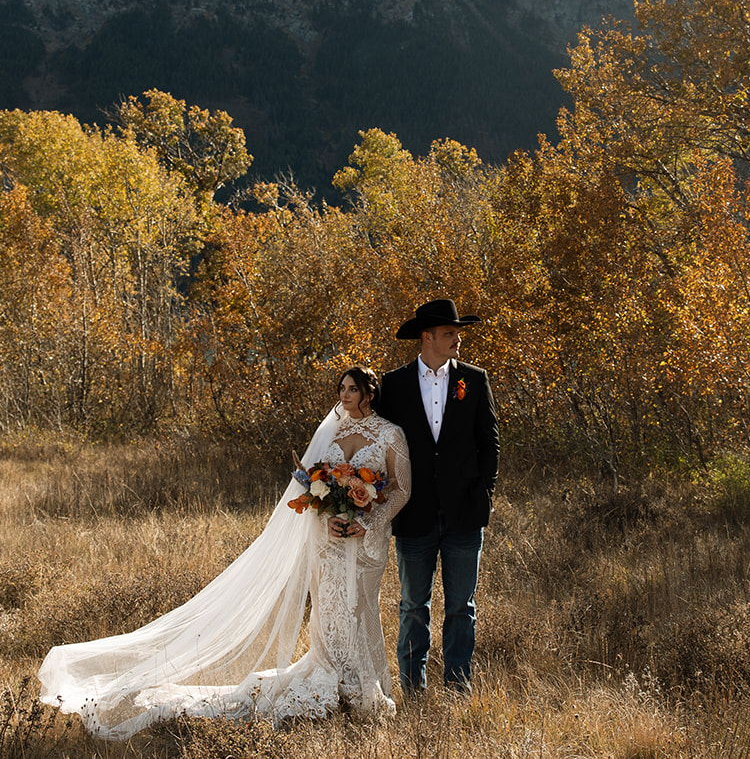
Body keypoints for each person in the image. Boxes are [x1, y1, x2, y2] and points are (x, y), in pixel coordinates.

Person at [37, 367, 411, 738]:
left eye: (352, 389)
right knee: (328, 611)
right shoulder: (332, 430)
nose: (344, 395)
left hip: (365, 544)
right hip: (327, 542)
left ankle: (361, 687)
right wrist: (327, 512)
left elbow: (400, 489)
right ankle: (334, 684)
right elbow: (313, 487)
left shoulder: (390, 434)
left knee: (359, 608)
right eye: (342, 388)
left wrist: (368, 522)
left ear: (369, 393)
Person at [377, 299, 498, 694]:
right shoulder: (392, 385)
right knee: (413, 607)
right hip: (414, 514)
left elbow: (490, 443)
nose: (457, 340)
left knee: (462, 607)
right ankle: (413, 691)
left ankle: (458, 690)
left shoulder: (475, 380)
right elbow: (377, 441)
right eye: (450, 333)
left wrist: (483, 496)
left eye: (457, 332)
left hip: (465, 514)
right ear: (427, 337)